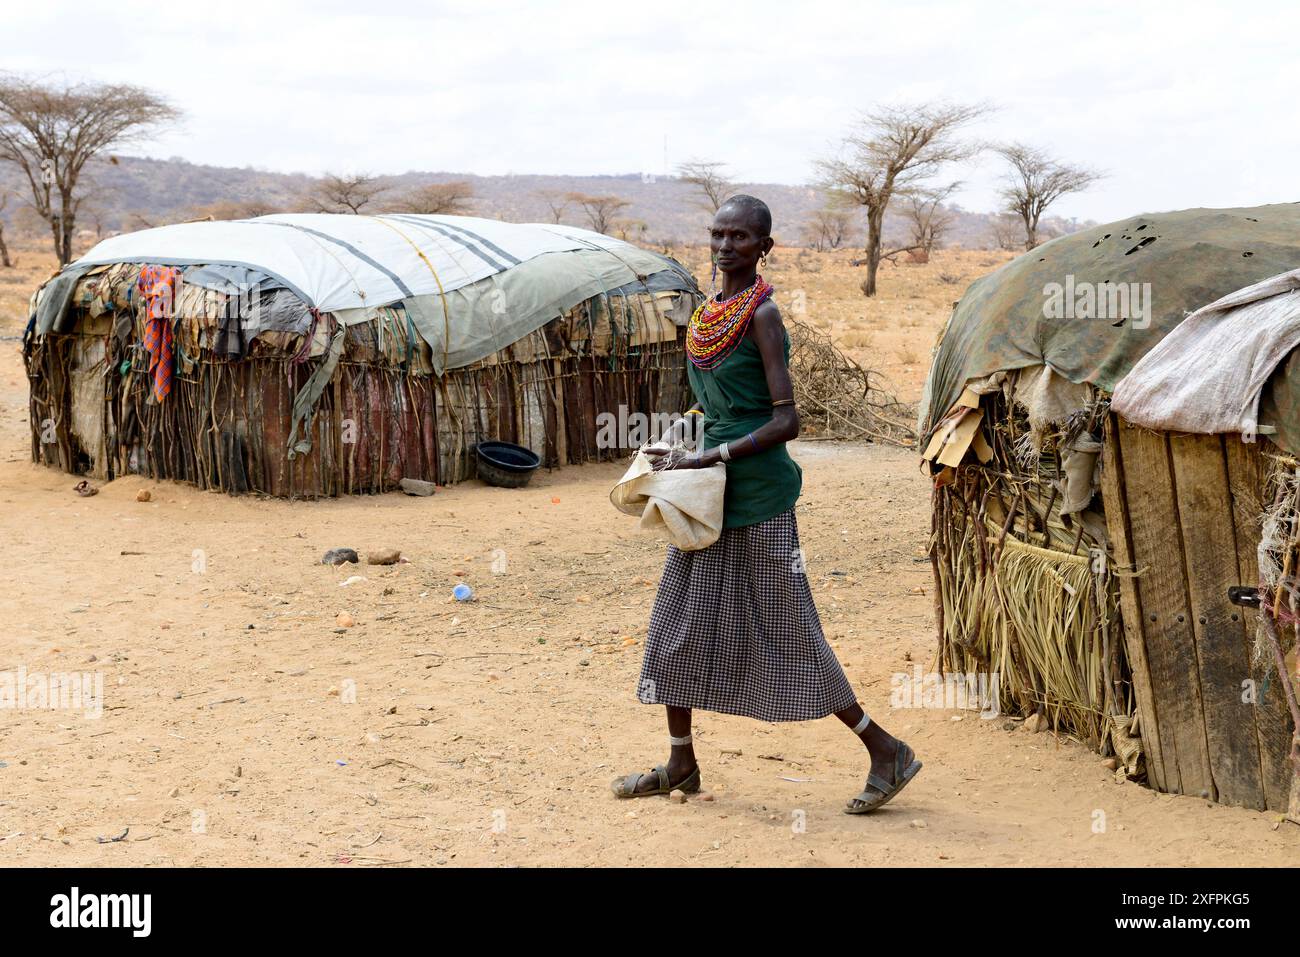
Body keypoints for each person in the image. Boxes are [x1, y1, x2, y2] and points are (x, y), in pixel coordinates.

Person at [610, 195, 921, 813]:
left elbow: (786, 421)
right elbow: (717, 407)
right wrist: (679, 439)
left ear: (764, 247)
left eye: (741, 237)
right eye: (718, 234)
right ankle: (681, 761)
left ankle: (885, 749)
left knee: (789, 631)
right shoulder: (708, 312)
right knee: (677, 629)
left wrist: (714, 456)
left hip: (756, 495)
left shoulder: (764, 316)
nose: (726, 246)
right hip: (705, 496)